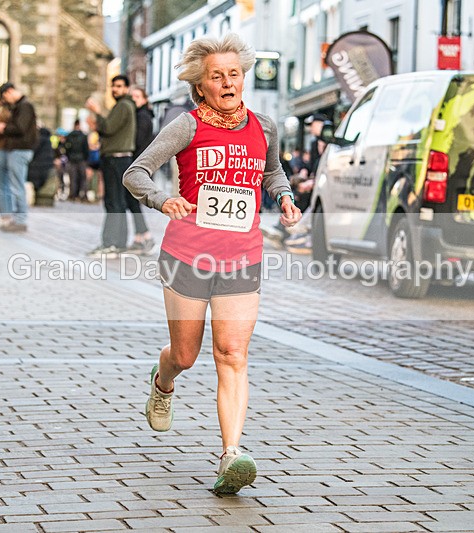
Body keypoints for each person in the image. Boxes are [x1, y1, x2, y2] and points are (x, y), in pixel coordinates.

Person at [124, 33, 302, 493]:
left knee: (233, 353)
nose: (227, 82)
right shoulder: (184, 126)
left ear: (244, 79)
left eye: (234, 75)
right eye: (216, 76)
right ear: (200, 86)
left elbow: (272, 170)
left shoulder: (264, 126)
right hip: (186, 253)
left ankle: (231, 454)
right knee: (185, 354)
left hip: (242, 255)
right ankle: (163, 383)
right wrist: (164, 201)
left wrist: (283, 196)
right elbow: (136, 172)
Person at [85, 75, 136, 256]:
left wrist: (97, 112)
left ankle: (111, 243)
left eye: (120, 86)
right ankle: (118, 243)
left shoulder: (123, 105)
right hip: (118, 158)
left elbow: (108, 128)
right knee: (117, 202)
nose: (115, 89)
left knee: (113, 202)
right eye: (113, 86)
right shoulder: (123, 106)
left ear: (127, 88)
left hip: (116, 159)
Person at [0, 82, 37, 232]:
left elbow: (21, 127)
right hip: (17, 149)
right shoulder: (19, 107)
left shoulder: (24, 106)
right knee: (15, 184)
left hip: (21, 149)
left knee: (17, 185)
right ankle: (17, 218)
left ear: (9, 92)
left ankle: (20, 219)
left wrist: (5, 128)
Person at [128, 86, 155, 252]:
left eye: (137, 96)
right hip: (137, 163)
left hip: (138, 164)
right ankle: (140, 237)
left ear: (144, 99)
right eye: (132, 96)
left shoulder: (142, 117)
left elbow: (137, 141)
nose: (134, 99)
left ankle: (145, 235)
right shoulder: (139, 115)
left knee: (132, 200)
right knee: (132, 201)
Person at [63, 119, 89, 202]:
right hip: (81, 159)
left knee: (73, 178)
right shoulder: (83, 136)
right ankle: (83, 195)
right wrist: (86, 158)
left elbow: (66, 148)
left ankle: (73, 195)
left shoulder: (69, 135)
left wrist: (69, 156)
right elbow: (86, 149)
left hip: (72, 159)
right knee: (83, 178)